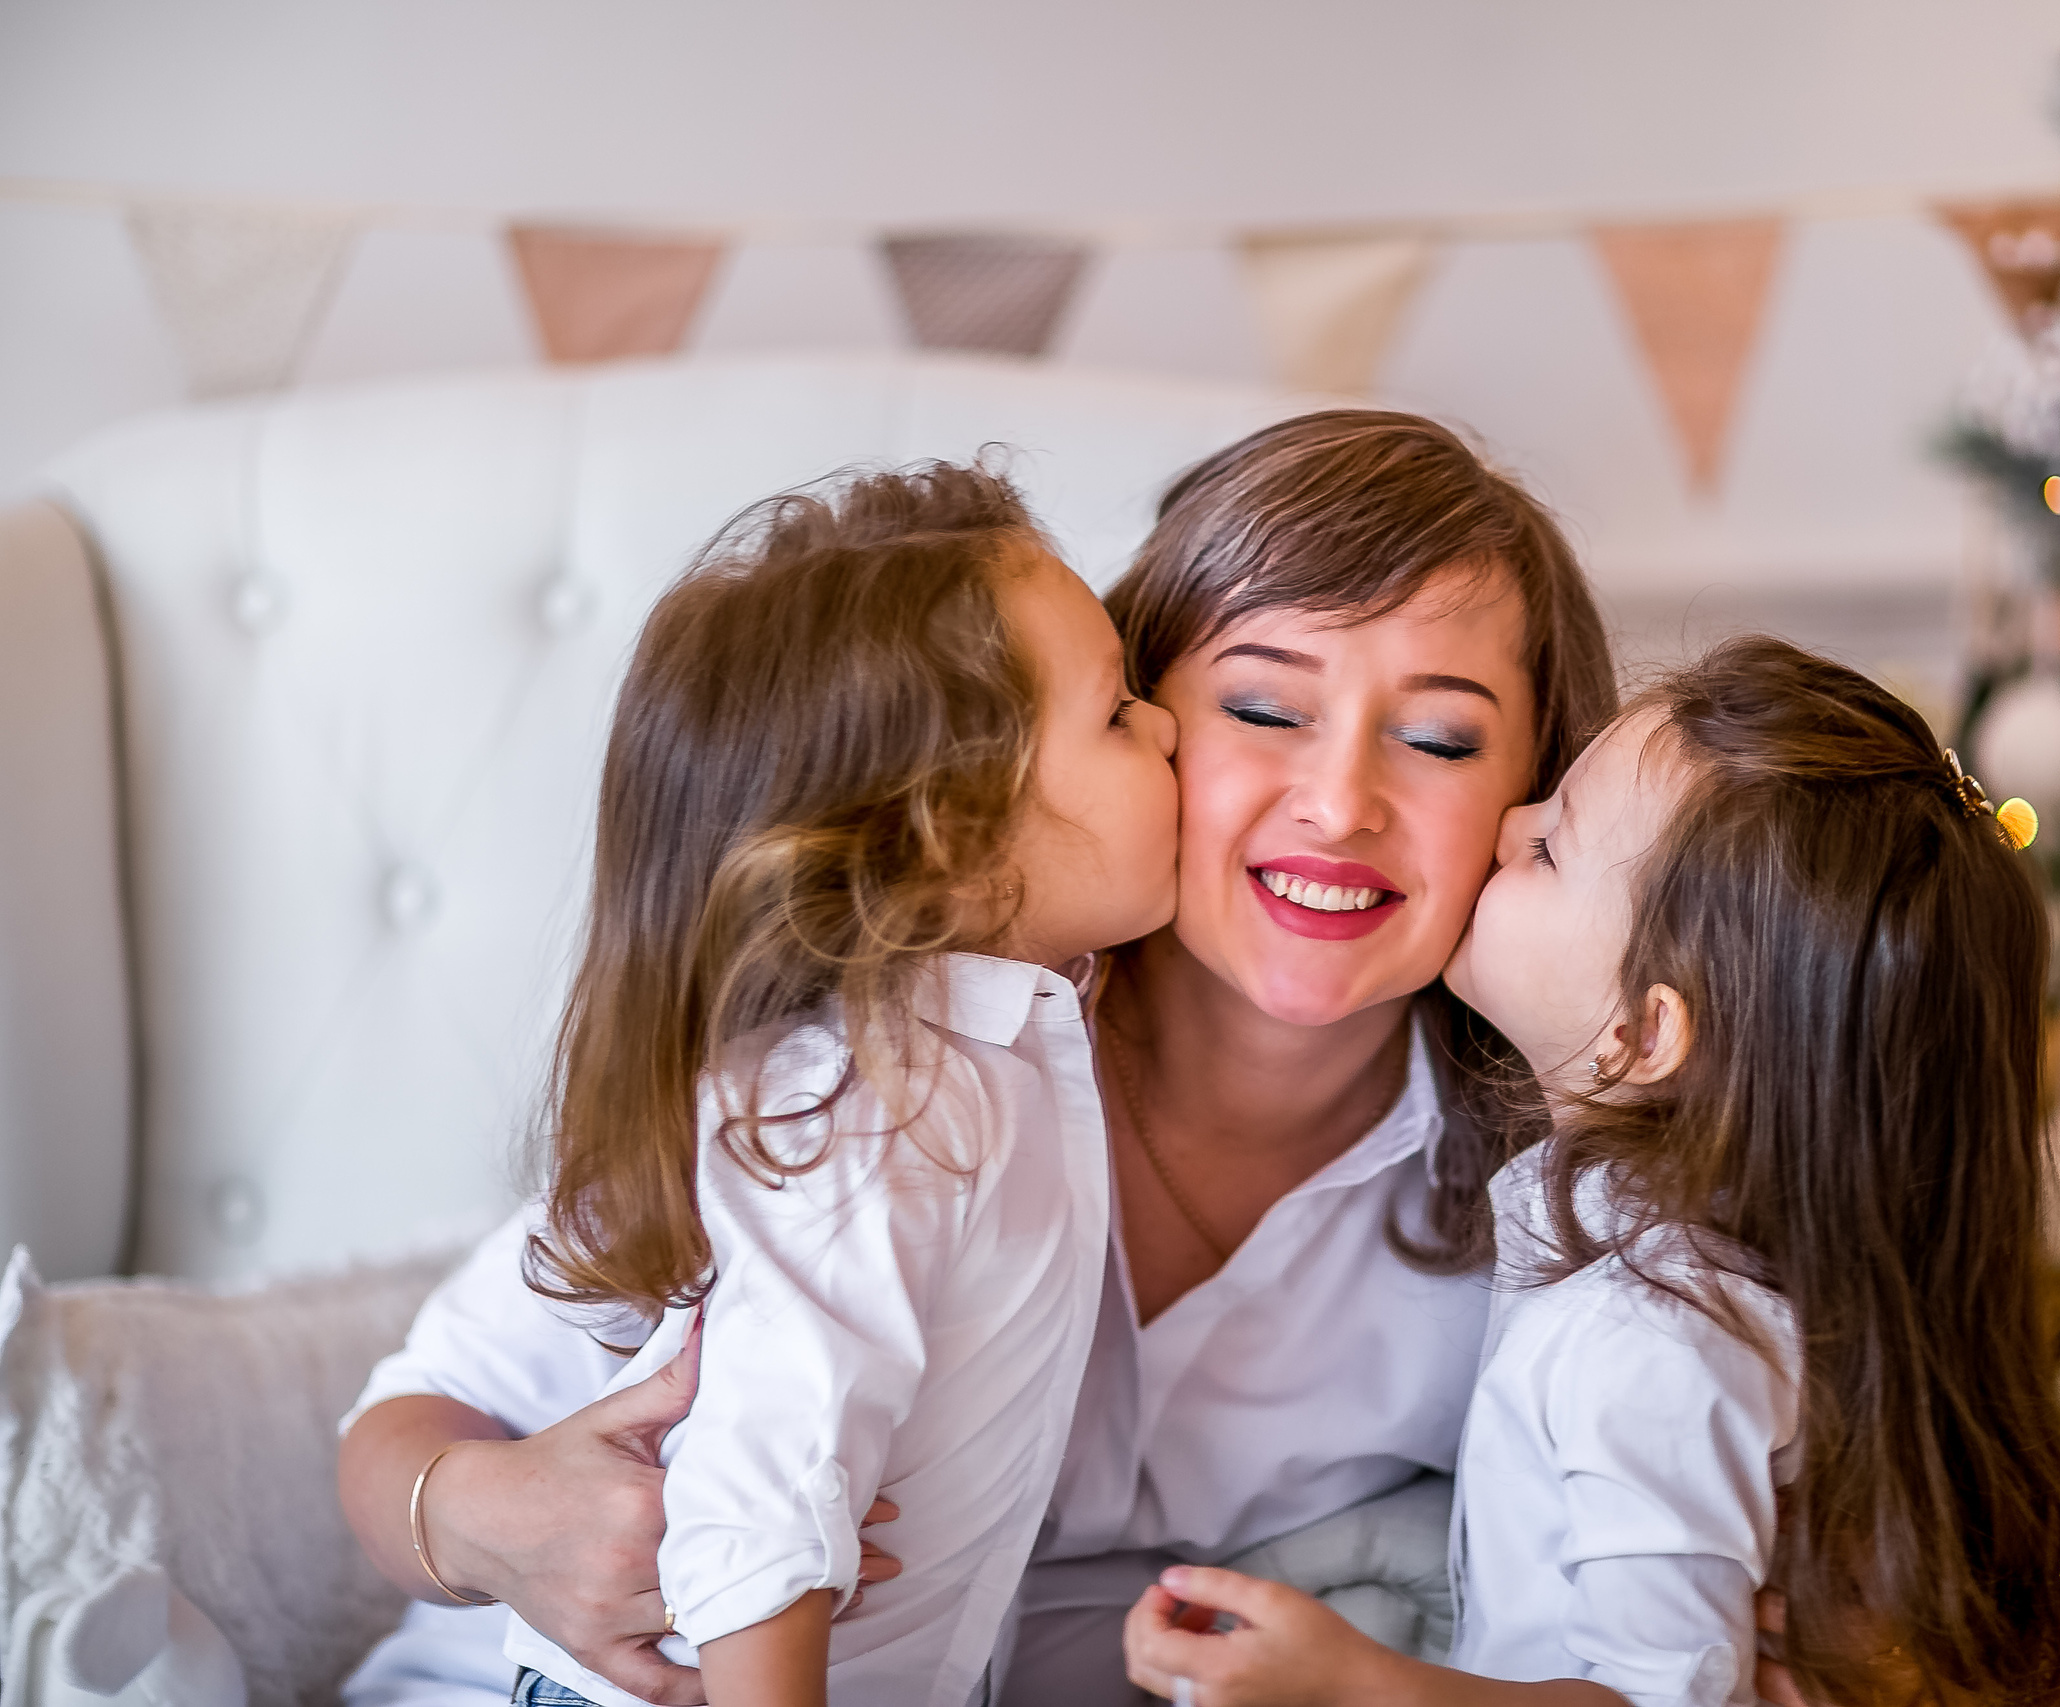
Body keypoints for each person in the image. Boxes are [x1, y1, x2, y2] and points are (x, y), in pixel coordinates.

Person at [334, 411, 1620, 1707]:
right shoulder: (879, 1073)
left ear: (1539, 798)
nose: (1340, 805)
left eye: (1440, 739)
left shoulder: (1555, 1205)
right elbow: (410, 1420)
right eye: (1263, 708)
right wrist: (485, 1517)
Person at [1123, 639, 2060, 1707]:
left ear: (1641, 1033)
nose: (1510, 825)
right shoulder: (1663, 1274)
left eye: (1549, 847)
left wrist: (1358, 1687)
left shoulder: (1648, 1334)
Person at [354, 462, 1183, 1707]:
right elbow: (763, 1499)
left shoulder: (982, 1057)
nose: (1167, 727)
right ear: (953, 846)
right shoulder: (868, 1111)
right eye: (1117, 713)